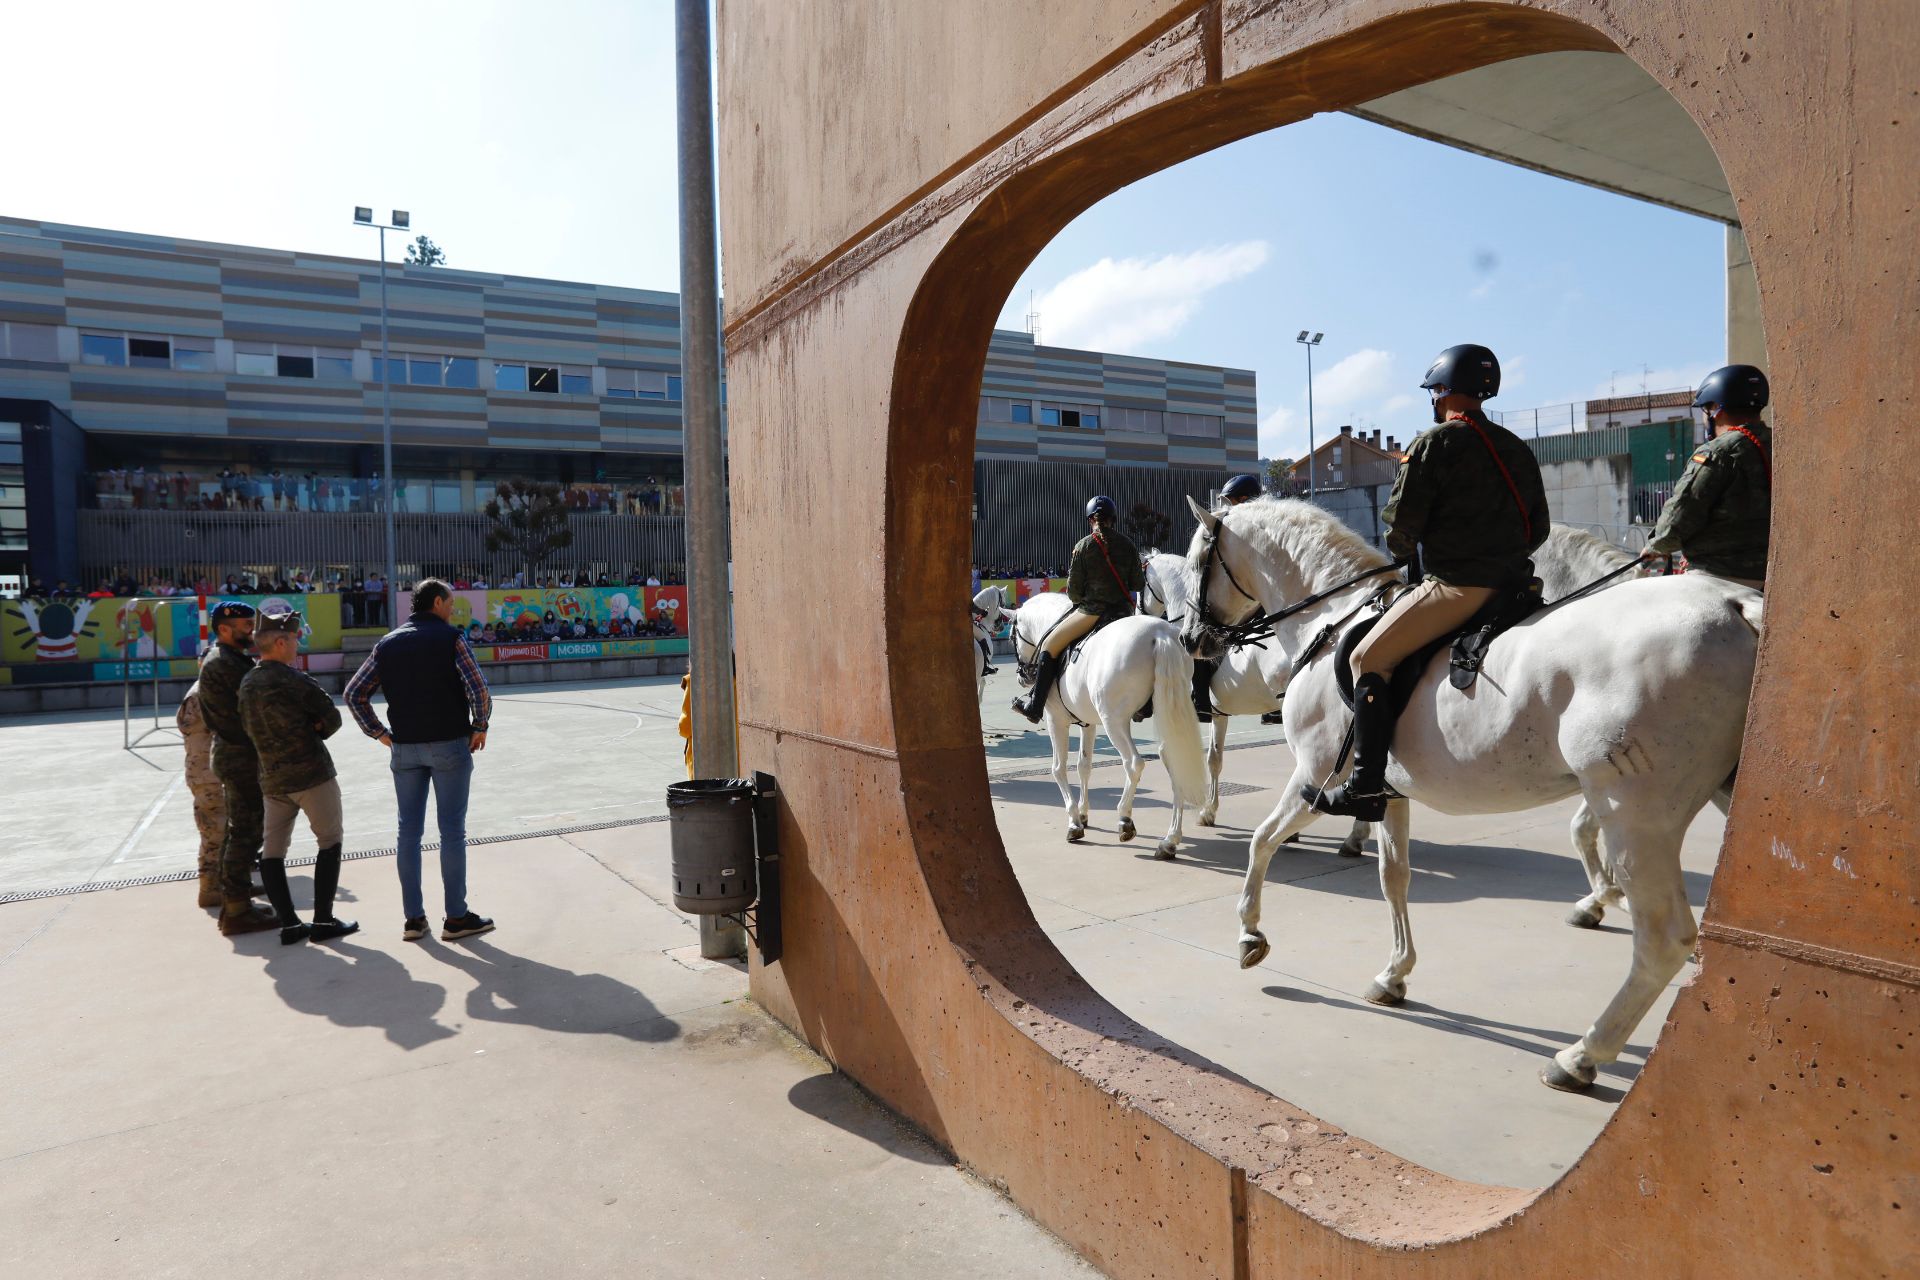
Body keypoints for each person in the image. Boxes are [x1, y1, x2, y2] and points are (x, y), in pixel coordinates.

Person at [1304, 343, 1549, 821]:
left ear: (1440, 393)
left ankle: (1366, 786)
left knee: (1365, 656)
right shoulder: (1516, 447)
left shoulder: (1434, 443)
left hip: (1459, 585)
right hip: (1517, 586)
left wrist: (1409, 556)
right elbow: (1537, 528)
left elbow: (1400, 525)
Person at [344, 578, 495, 943]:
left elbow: (354, 693)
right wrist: (479, 725)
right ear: (439, 602)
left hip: (405, 747)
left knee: (408, 833)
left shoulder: (387, 644)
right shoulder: (450, 638)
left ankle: (414, 920)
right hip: (448, 744)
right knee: (452, 831)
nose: (452, 608)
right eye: (451, 602)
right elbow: (478, 689)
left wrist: (380, 733)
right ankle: (456, 917)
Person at [239, 610, 358, 945]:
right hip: (312, 776)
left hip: (272, 779)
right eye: (294, 638)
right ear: (280, 642)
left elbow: (246, 729)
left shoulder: (247, 683)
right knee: (329, 842)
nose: (298, 643)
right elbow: (331, 720)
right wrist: (313, 727)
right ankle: (323, 920)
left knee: (273, 850)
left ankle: (290, 923)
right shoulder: (295, 680)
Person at [1011, 495, 1144, 723]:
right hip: (1124, 614)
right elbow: (1138, 584)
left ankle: (1035, 705)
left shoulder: (1083, 546)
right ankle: (1144, 704)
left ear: (1090, 519)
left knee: (1050, 645)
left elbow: (1072, 592)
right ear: (1114, 519)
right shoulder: (1128, 544)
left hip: (1091, 613)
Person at [1644, 364, 1771, 590]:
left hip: (1718, 574)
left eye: (1705, 410)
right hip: (1775, 574)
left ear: (1716, 409)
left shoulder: (1716, 452)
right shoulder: (1781, 444)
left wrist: (1655, 546)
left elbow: (1679, 519)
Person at [196, 601, 281, 935]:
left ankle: (238, 893)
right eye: (246, 625)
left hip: (240, 754)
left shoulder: (230, 659)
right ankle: (237, 910)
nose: (252, 630)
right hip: (239, 755)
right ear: (223, 629)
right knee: (245, 831)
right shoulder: (225, 664)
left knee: (245, 829)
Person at [177, 664, 231, 911]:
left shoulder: (202, 690)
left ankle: (228, 884)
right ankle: (209, 889)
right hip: (208, 775)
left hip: (207, 771)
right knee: (214, 832)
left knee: (222, 830)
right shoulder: (204, 694)